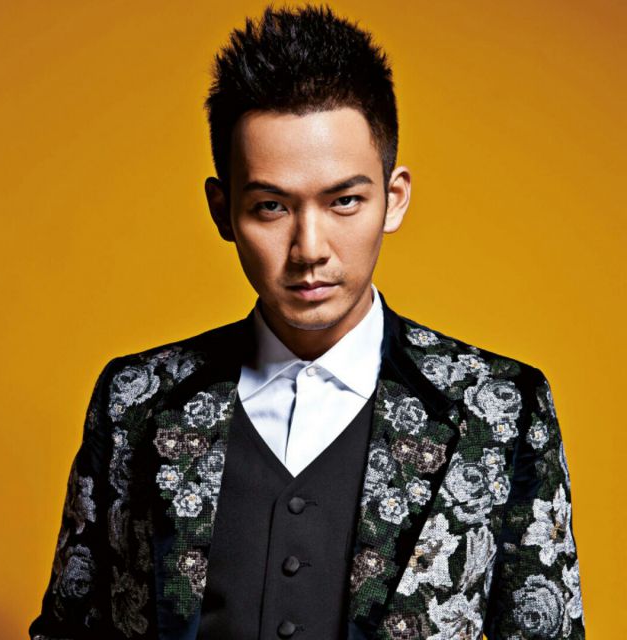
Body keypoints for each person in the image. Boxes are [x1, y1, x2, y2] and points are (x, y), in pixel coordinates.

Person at [29, 4, 585, 639]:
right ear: (222, 210)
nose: (309, 249)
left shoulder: (500, 409)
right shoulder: (134, 402)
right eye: (271, 207)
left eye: (344, 200)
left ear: (393, 198)